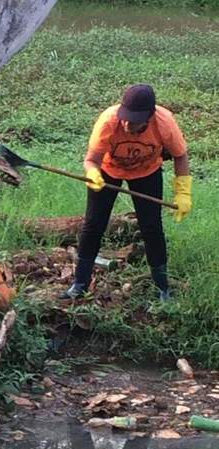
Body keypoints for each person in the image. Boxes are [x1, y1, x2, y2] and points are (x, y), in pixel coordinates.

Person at [63, 84, 192, 302]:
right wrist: (93, 173)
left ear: (148, 117)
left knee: (151, 227)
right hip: (108, 170)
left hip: (147, 171)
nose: (126, 123)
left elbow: (180, 155)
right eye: (125, 117)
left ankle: (163, 288)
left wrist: (183, 193)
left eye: (133, 120)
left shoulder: (164, 123)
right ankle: (79, 284)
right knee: (93, 224)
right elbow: (91, 159)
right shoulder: (108, 121)